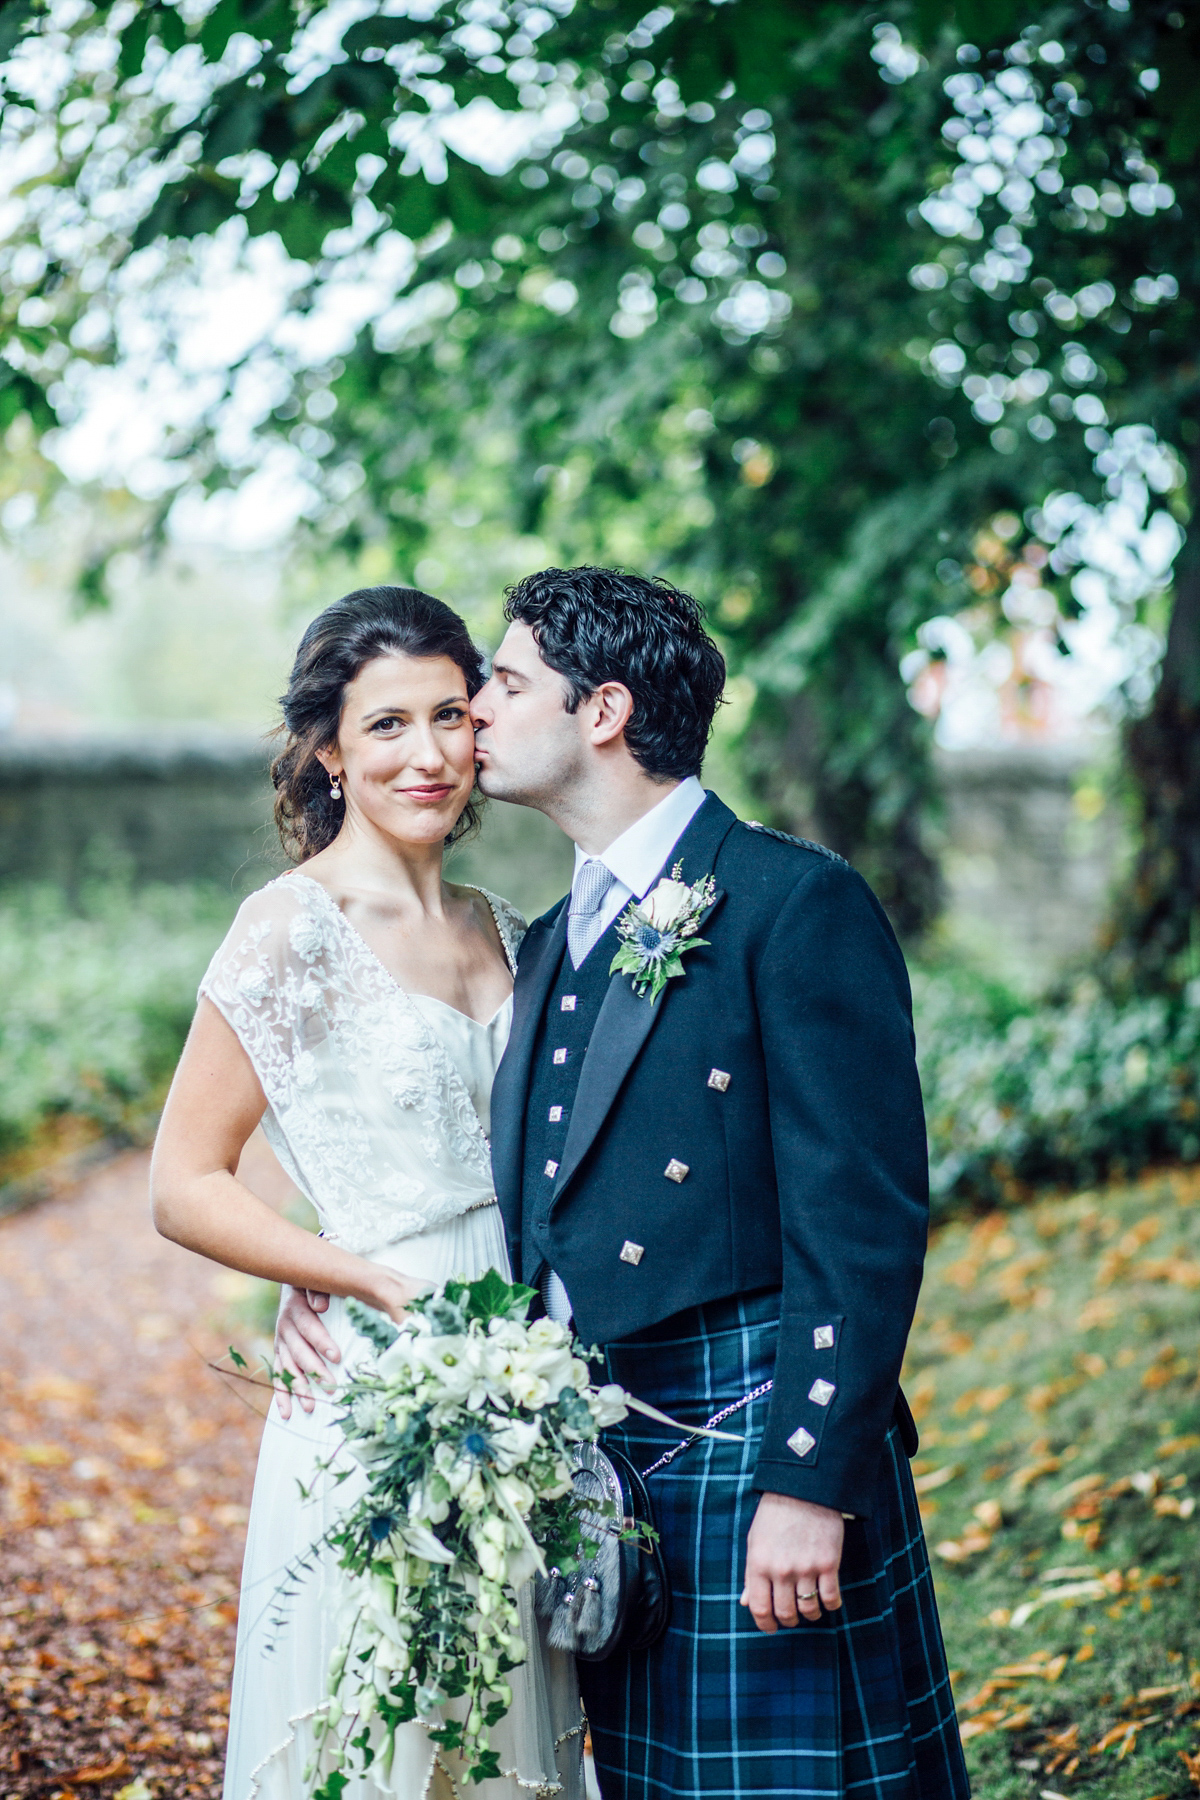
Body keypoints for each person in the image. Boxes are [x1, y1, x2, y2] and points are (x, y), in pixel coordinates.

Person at [280, 564, 970, 1800]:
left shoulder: (789, 903)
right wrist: (326, 1268)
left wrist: (810, 1481)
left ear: (599, 713)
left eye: (502, 682)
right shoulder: (545, 938)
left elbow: (861, 1223)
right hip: (605, 1473)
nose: (473, 714)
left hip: (750, 1439)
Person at [151, 585, 584, 1800]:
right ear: (329, 751)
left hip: (524, 1359)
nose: (431, 753)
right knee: (381, 1714)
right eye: (386, 724)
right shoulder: (290, 930)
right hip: (380, 1368)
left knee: (507, 1712)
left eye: (452, 714)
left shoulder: (507, 932)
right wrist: (343, 1274)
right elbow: (182, 1182)